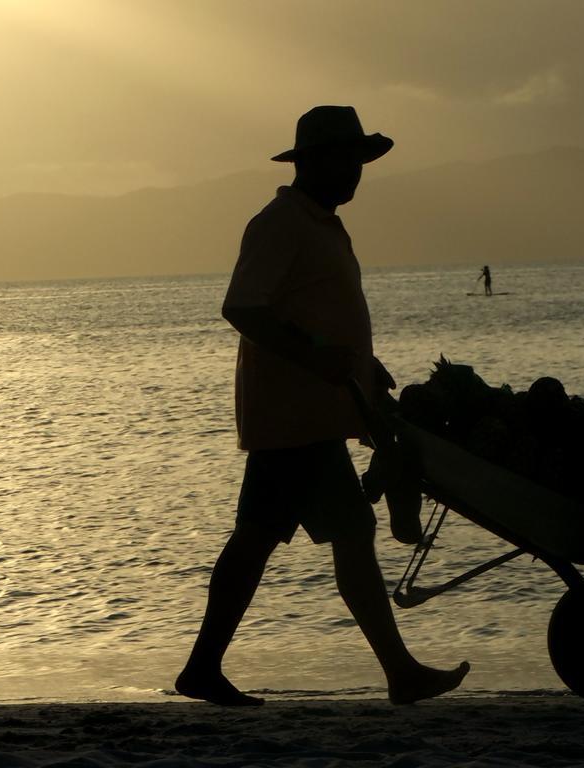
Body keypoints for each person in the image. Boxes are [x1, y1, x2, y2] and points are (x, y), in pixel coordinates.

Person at [175, 106, 469, 707]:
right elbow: (243, 309)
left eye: (359, 163)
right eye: (345, 161)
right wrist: (318, 357)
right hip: (292, 418)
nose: (355, 174)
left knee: (280, 537)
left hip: (314, 416)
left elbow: (317, 314)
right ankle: (397, 673)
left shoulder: (322, 225)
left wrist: (364, 363)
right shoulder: (281, 223)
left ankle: (208, 667)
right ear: (312, 163)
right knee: (315, 535)